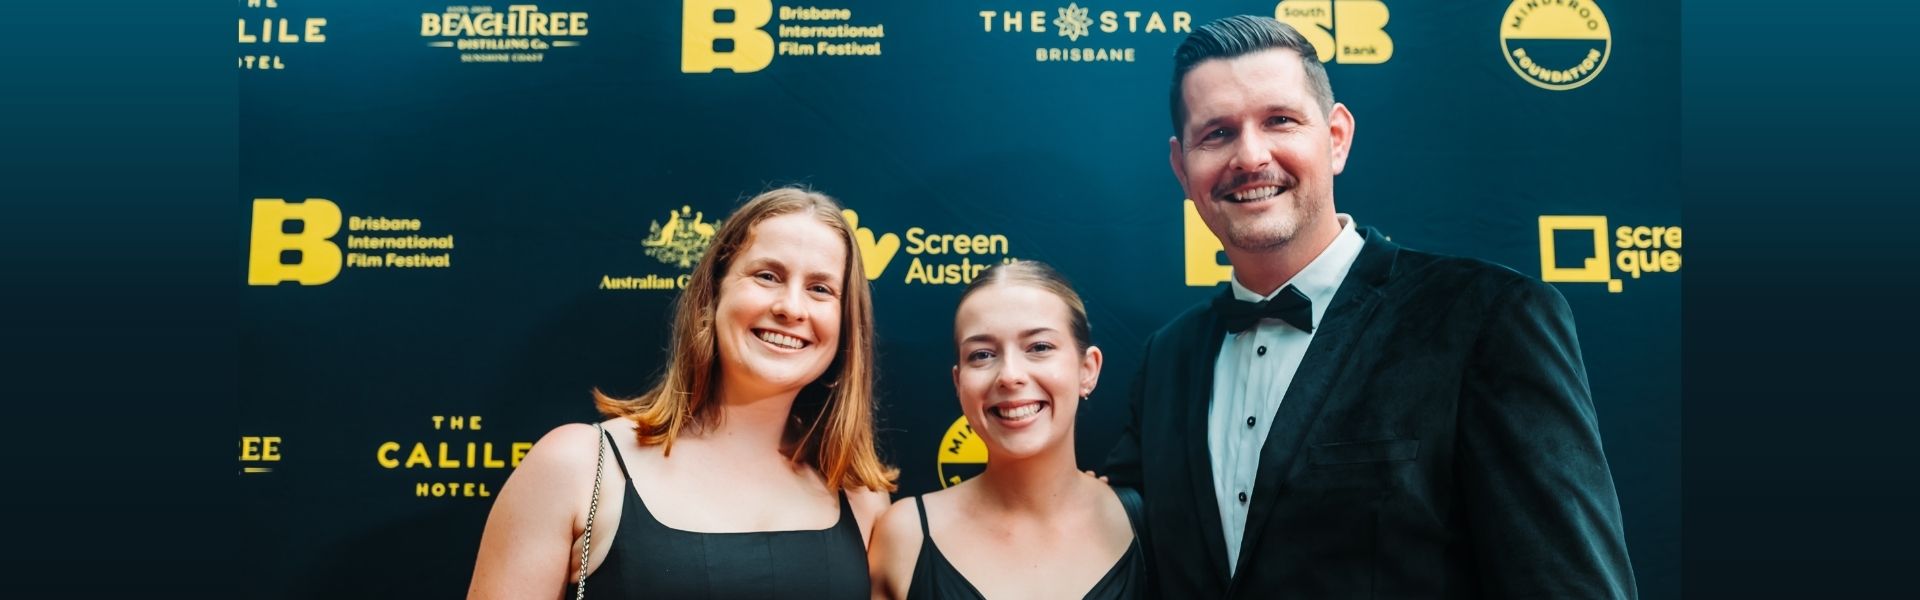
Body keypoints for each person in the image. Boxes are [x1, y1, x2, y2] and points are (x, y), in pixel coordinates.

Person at [1100, 15, 1638, 598]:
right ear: (1183, 168)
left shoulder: (1485, 317)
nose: (1251, 156)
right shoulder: (1168, 360)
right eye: (1218, 134)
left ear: (1335, 138)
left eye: (1279, 120)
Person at [469, 187, 896, 599]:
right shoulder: (580, 466)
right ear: (712, 294)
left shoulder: (861, 496)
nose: (791, 307)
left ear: (846, 326)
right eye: (768, 276)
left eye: (820, 289)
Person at [869, 261, 1145, 600]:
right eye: (982, 355)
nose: (1010, 375)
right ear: (959, 383)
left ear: (1087, 369)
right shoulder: (905, 535)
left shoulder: (1148, 523)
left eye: (1039, 347)